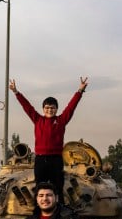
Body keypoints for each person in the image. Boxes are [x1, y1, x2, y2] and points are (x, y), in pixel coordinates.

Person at [9, 77, 88, 205]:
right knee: (40, 188)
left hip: (56, 160)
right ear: (43, 109)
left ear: (56, 109)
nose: (49, 110)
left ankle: (60, 211)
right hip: (40, 160)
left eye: (52, 108)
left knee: (57, 187)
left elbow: (71, 107)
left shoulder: (61, 121)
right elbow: (27, 106)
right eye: (47, 108)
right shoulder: (38, 120)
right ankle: (38, 212)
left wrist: (80, 91)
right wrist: (16, 92)